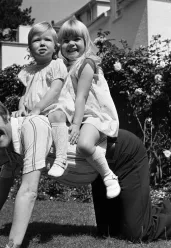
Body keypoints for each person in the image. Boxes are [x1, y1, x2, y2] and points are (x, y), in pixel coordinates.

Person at [0, 94, 171, 248]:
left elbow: (28, 191)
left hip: (122, 154)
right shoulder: (8, 149)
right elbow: (0, 191)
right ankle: (170, 205)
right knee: (109, 231)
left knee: (138, 232)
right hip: (98, 170)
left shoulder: (31, 128)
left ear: (3, 114)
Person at [0, 21, 74, 178]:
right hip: (33, 113)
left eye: (47, 40)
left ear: (55, 47)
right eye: (37, 40)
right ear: (29, 48)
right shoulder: (28, 71)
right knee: (10, 121)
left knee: (57, 115)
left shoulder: (57, 65)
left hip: (53, 107)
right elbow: (25, 93)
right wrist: (22, 108)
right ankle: (3, 155)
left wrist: (38, 108)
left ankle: (61, 158)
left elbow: (55, 90)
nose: (42, 43)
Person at [58, 18, 120, 199]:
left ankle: (108, 175)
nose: (71, 44)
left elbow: (81, 97)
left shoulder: (87, 64)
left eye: (76, 39)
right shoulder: (65, 67)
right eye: (66, 40)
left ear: (86, 42)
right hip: (80, 115)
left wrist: (76, 125)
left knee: (84, 145)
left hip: (94, 114)